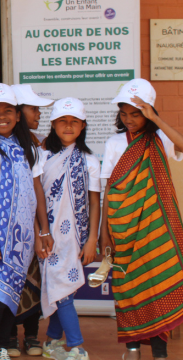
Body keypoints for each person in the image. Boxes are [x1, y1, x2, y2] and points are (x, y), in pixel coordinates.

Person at [0, 84, 52, 360]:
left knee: (12, 294)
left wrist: (44, 230)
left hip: (24, 236)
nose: (1, 116)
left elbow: (38, 191)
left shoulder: (30, 148)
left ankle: (2, 345)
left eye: (8, 111)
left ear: (17, 115)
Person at [99, 79, 183, 360]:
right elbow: (108, 188)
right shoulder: (113, 142)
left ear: (147, 112)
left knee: (157, 283)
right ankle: (132, 352)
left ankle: (160, 353)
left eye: (136, 113)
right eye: (124, 113)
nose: (129, 119)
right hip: (123, 230)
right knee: (129, 290)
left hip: (155, 228)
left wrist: (155, 118)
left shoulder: (160, 139)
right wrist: (105, 234)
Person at [37, 98, 101, 360]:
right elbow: (35, 197)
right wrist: (40, 233)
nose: (68, 125)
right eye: (62, 120)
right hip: (48, 236)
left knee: (63, 287)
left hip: (75, 237)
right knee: (59, 286)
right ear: (53, 124)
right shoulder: (42, 156)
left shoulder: (89, 160)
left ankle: (62, 344)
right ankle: (65, 344)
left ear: (83, 125)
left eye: (74, 121)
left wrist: (91, 241)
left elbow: (95, 203)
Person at [7, 84, 54, 357]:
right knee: (13, 281)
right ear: (17, 112)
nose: (38, 114)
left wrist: (42, 230)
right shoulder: (0, 145)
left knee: (35, 279)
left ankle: (32, 336)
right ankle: (10, 336)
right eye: (33, 108)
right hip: (8, 228)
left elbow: (37, 191)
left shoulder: (36, 144)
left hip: (34, 225)